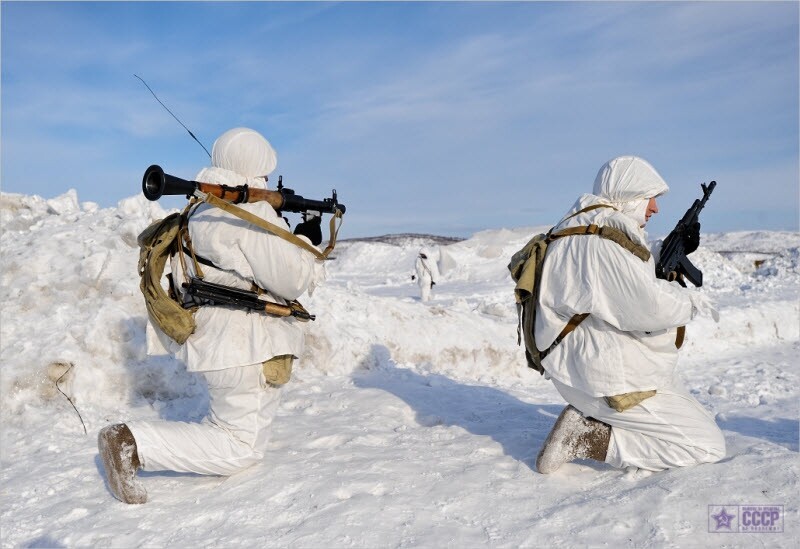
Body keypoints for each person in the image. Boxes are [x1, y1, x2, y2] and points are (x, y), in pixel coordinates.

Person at [98, 128, 326, 504]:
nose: (267, 180)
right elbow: (293, 280)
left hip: (221, 340)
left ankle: (136, 442)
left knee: (240, 427)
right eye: (264, 172)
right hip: (243, 343)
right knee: (240, 446)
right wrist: (306, 240)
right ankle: (132, 443)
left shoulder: (202, 208)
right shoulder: (247, 212)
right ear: (253, 168)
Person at [534, 155, 725, 474]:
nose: (655, 208)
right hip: (603, 377)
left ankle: (592, 420)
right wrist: (691, 301)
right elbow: (649, 307)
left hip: (592, 363)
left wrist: (669, 250)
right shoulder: (598, 242)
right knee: (707, 446)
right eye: (650, 198)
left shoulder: (585, 228)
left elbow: (625, 274)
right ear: (629, 192)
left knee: (702, 420)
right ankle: (586, 437)